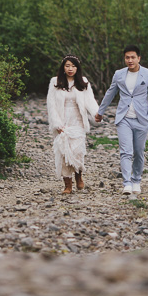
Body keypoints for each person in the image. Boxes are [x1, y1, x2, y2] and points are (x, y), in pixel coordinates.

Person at [95, 45, 148, 195]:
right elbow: (110, 93)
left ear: (139, 58)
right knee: (126, 152)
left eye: (133, 57)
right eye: (127, 57)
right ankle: (127, 183)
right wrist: (100, 111)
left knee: (139, 152)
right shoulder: (119, 74)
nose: (130, 60)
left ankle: (136, 180)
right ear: (124, 58)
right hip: (123, 118)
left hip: (142, 119)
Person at [46, 55, 100, 194]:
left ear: (78, 68)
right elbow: (51, 105)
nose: (70, 69)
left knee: (77, 151)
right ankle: (67, 185)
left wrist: (96, 114)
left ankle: (78, 176)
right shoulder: (55, 82)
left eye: (73, 66)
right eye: (68, 66)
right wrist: (56, 123)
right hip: (62, 120)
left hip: (78, 121)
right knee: (63, 153)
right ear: (63, 67)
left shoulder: (83, 82)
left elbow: (90, 101)